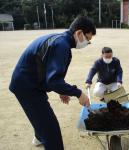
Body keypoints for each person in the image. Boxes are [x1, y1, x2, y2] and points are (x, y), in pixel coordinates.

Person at [9, 16, 96, 150]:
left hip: (30, 82)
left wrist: (62, 90)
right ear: (79, 33)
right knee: (51, 128)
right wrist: (78, 93)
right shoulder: (62, 45)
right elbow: (53, 80)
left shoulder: (60, 40)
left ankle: (39, 136)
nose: (86, 43)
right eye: (87, 40)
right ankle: (45, 138)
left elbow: (52, 72)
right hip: (27, 86)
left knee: (40, 115)